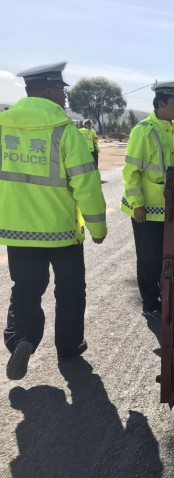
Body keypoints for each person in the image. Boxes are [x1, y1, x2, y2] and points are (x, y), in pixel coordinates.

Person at [0, 61, 107, 380]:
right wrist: (98, 227)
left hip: (16, 230)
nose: (64, 96)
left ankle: (25, 339)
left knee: (27, 288)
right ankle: (69, 347)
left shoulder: (4, 126)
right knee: (71, 290)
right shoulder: (65, 131)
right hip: (60, 232)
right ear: (46, 90)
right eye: (60, 89)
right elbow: (86, 184)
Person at [120, 81, 174, 322]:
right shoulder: (143, 130)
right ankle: (150, 303)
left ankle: (164, 296)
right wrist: (137, 203)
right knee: (148, 258)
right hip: (146, 209)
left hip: (169, 206)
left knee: (166, 256)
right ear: (160, 104)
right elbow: (131, 170)